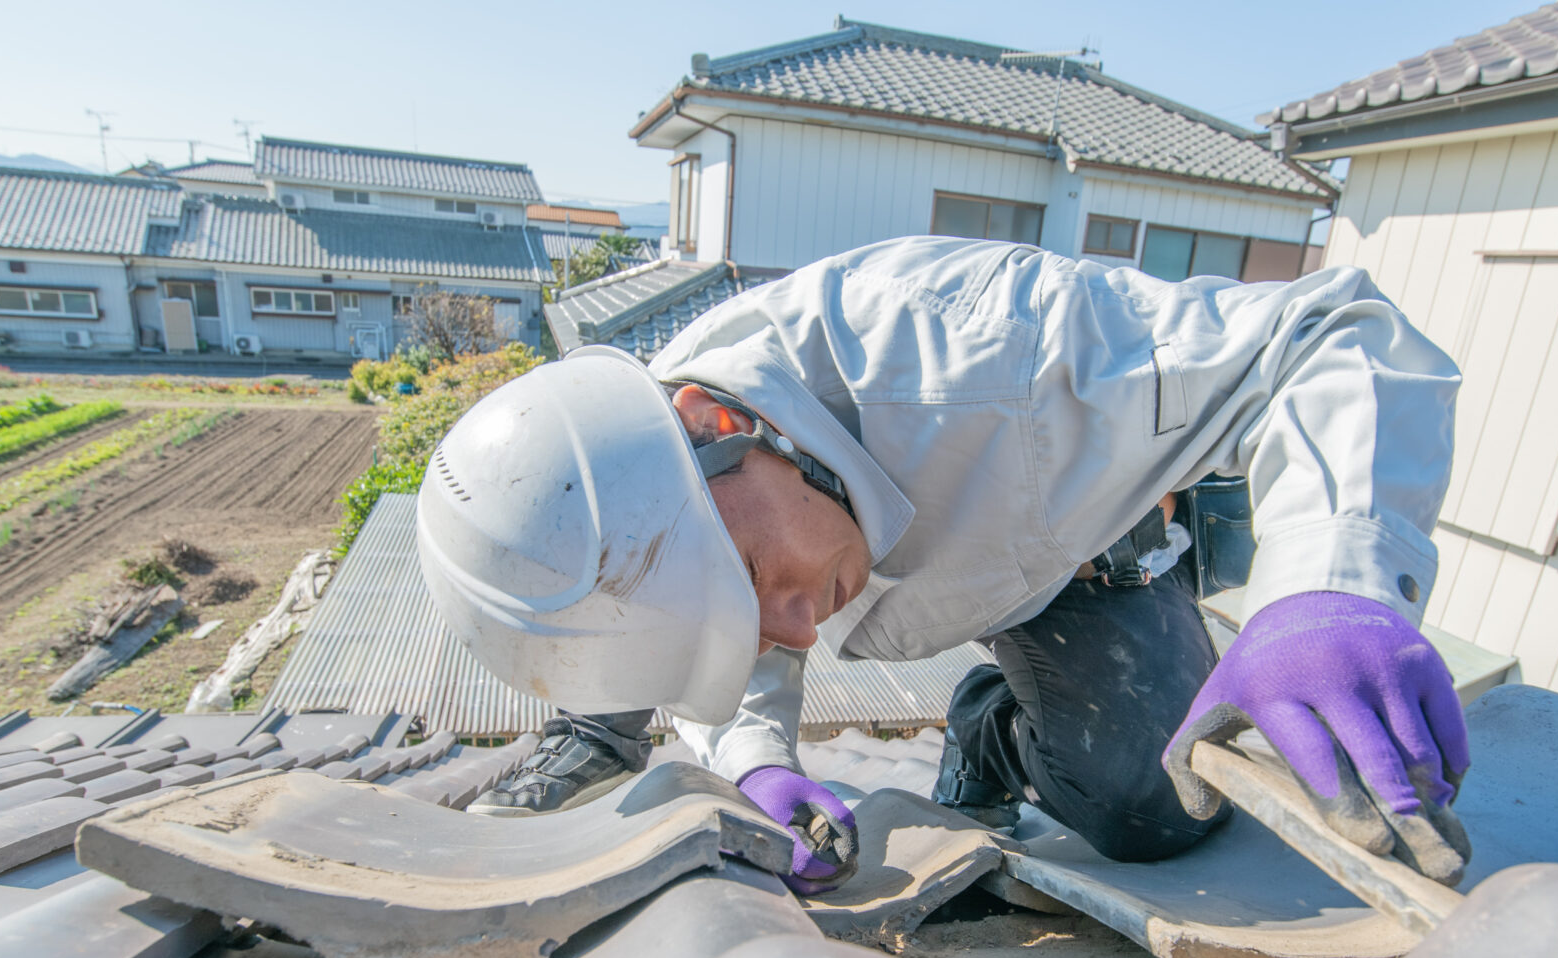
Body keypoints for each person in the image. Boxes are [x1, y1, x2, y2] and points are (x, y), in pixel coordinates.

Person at [418, 236, 1471, 895]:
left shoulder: (1006, 348)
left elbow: (1332, 331)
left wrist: (1331, 584)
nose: (790, 633)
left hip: (1064, 534)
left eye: (747, 584)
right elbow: (725, 606)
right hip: (839, 522)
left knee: (1154, 811)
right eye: (733, 624)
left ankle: (993, 730)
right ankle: (600, 717)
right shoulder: (667, 477)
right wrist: (756, 758)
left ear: (726, 422)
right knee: (716, 608)